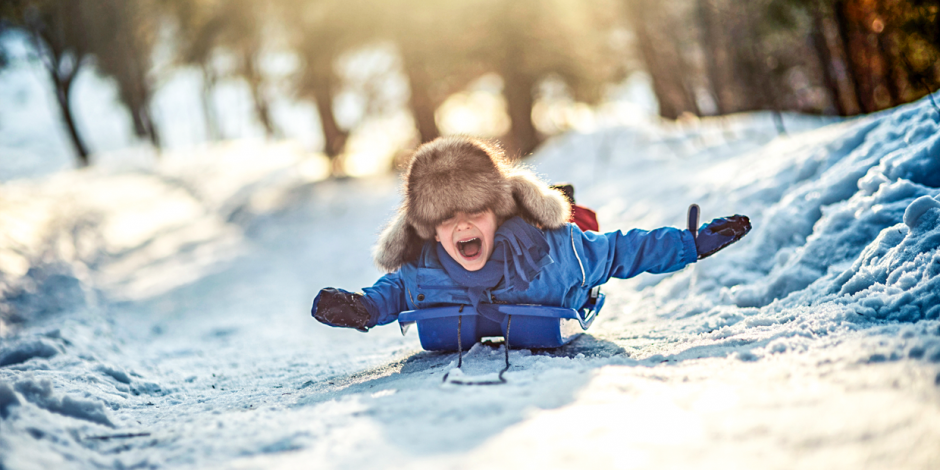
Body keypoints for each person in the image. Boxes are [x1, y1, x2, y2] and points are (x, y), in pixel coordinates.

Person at [311, 136, 750, 332]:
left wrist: (690, 243)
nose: (462, 226)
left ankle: (567, 202)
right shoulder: (423, 267)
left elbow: (621, 250)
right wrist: (364, 307)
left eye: (475, 211)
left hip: (556, 258)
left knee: (579, 225)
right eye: (447, 219)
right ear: (429, 230)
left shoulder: (557, 254)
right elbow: (396, 291)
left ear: (498, 213)